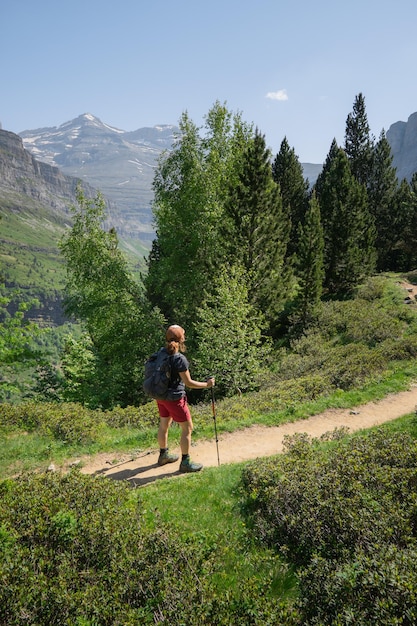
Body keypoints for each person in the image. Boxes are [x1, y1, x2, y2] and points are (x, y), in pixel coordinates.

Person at [156, 324, 215, 473]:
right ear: (180, 339)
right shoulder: (179, 359)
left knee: (164, 425)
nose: (185, 336)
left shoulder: (161, 353)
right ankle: (185, 462)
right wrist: (207, 385)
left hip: (160, 396)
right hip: (175, 399)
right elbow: (188, 383)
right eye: (184, 334)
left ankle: (163, 455)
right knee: (187, 429)